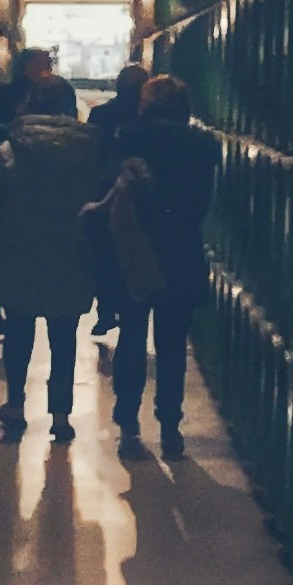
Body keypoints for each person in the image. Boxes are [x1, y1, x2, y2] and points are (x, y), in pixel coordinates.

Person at [0, 94, 99, 440]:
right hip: (72, 255)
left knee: (19, 333)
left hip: (18, 253)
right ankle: (60, 414)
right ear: (69, 109)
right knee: (64, 337)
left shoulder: (9, 150)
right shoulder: (90, 151)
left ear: (27, 107)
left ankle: (15, 405)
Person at [107, 71, 216, 461]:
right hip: (182, 250)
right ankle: (171, 429)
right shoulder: (204, 144)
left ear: (146, 104)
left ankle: (128, 427)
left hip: (136, 251)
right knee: (172, 346)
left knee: (132, 338)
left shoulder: (128, 137)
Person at [85, 59, 146, 338]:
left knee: (104, 255)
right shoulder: (147, 120)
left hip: (102, 192)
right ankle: (125, 310)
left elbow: (91, 154)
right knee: (129, 256)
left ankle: (106, 311)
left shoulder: (101, 115)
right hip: (138, 196)